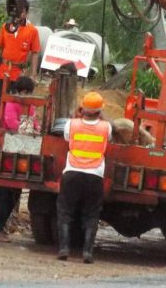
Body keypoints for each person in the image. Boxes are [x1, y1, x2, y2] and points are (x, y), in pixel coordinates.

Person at [57, 92, 112, 264]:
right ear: (99, 111)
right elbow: (109, 138)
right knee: (91, 214)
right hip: (94, 176)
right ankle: (87, 252)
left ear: (82, 108)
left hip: (72, 173)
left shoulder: (71, 124)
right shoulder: (106, 127)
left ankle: (64, 249)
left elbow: (67, 138)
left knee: (65, 211)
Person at [0, 76, 39, 240]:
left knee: (12, 194)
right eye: (24, 92)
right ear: (18, 91)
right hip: (9, 149)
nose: (26, 95)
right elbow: (10, 123)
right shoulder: (11, 104)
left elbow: (35, 123)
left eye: (28, 92)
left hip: (22, 148)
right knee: (3, 194)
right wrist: (28, 129)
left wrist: (36, 130)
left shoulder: (31, 106)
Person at [0, 2, 41, 116]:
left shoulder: (32, 30)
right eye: (17, 11)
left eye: (23, 11)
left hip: (19, 73)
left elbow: (35, 53)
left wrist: (33, 74)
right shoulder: (5, 27)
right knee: (0, 99)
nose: (20, 14)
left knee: (16, 101)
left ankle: (12, 126)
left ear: (27, 13)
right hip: (3, 71)